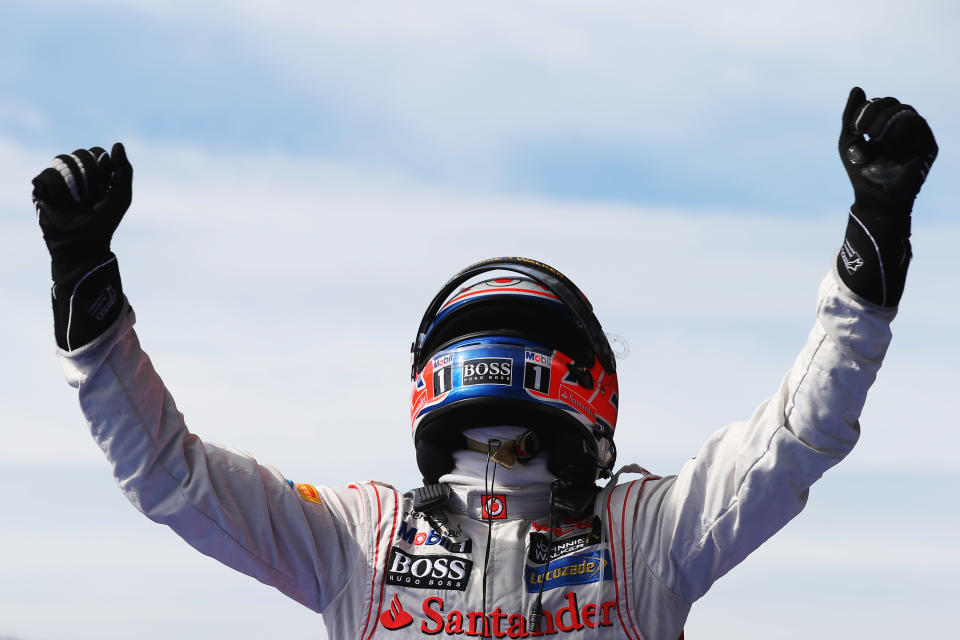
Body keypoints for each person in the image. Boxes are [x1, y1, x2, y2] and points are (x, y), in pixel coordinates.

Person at [32, 87, 937, 639]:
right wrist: (870, 251)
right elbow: (798, 437)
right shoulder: (648, 535)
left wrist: (89, 303)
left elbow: (166, 477)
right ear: (587, 380)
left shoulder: (356, 540)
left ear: (433, 380)